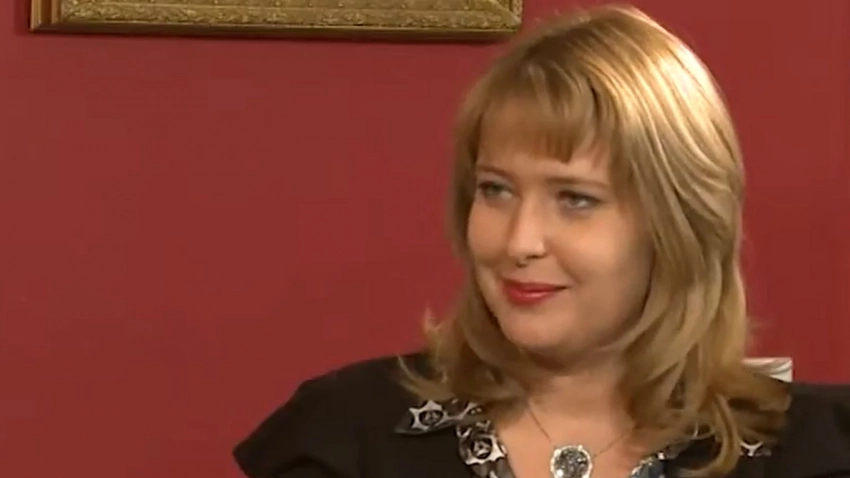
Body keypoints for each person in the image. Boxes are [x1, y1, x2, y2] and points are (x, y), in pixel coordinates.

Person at [232, 4, 850, 478]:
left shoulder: (812, 452)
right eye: (496, 190)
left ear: (679, 224)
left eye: (575, 199)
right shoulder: (346, 437)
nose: (519, 242)